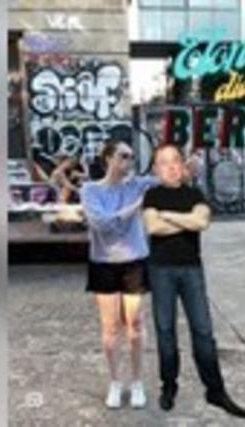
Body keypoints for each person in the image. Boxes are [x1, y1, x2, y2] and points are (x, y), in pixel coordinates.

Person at [142, 144, 245, 419]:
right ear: (156, 169)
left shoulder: (195, 194)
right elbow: (153, 227)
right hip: (161, 270)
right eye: (164, 162)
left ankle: (215, 391)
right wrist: (185, 220)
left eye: (175, 161)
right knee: (165, 331)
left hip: (191, 270)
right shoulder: (152, 195)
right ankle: (169, 386)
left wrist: (167, 215)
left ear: (182, 165)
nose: (170, 166)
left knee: (203, 331)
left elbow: (202, 222)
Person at [80, 139, 158, 409]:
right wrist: (136, 207)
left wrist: (188, 167)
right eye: (124, 156)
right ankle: (115, 382)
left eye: (131, 157)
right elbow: (102, 224)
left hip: (134, 261)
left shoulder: (138, 185)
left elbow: (171, 179)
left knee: (135, 324)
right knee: (110, 326)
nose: (129, 161)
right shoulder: (91, 190)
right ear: (109, 159)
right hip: (104, 263)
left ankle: (137, 382)